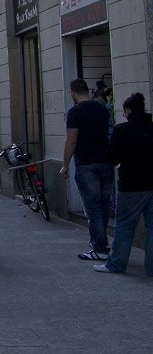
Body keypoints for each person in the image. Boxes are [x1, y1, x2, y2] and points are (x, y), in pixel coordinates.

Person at [95, 92, 153, 275]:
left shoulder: (121, 130)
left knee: (124, 226)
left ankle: (117, 263)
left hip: (131, 185)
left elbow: (112, 157)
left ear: (128, 110)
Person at [60, 78, 115, 261]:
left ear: (73, 92)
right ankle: (102, 243)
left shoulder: (75, 112)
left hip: (86, 163)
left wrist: (65, 165)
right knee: (103, 204)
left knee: (92, 207)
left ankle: (99, 247)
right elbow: (110, 133)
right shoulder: (102, 109)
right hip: (106, 162)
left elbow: (71, 140)